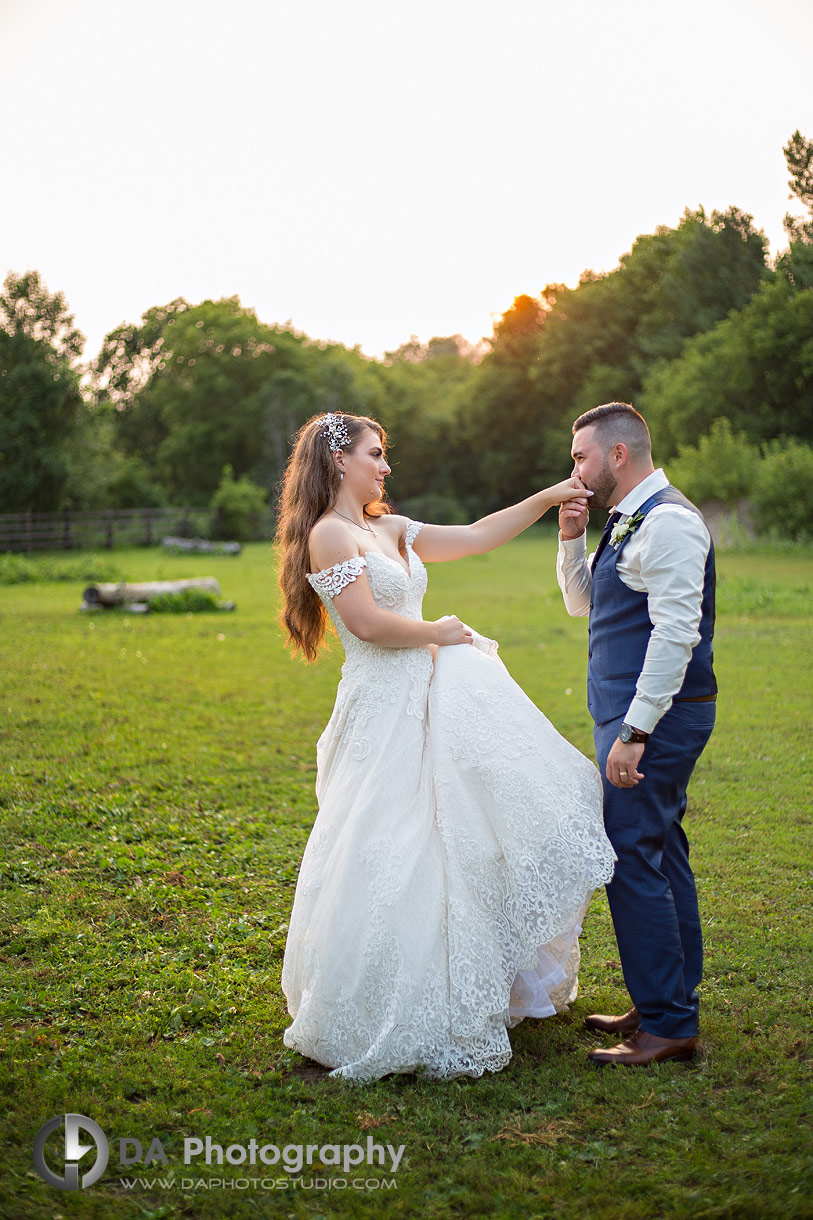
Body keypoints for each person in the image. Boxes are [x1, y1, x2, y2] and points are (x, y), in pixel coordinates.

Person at [276, 411, 616, 1080]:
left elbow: (477, 535)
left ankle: (474, 980)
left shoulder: (388, 528)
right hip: (383, 708)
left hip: (433, 695)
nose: (385, 465)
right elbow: (369, 625)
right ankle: (382, 1003)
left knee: (458, 838)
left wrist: (548, 498)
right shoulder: (328, 536)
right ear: (339, 460)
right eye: (375, 454)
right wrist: (439, 631)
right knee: (393, 846)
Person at [557, 401, 717, 1067]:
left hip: (651, 722)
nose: (573, 470)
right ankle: (664, 1001)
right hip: (628, 718)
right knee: (658, 846)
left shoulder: (670, 523)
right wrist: (570, 536)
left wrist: (634, 731)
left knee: (627, 855)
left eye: (579, 457)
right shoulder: (626, 518)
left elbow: (677, 635)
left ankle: (667, 1025)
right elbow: (583, 602)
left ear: (616, 455)